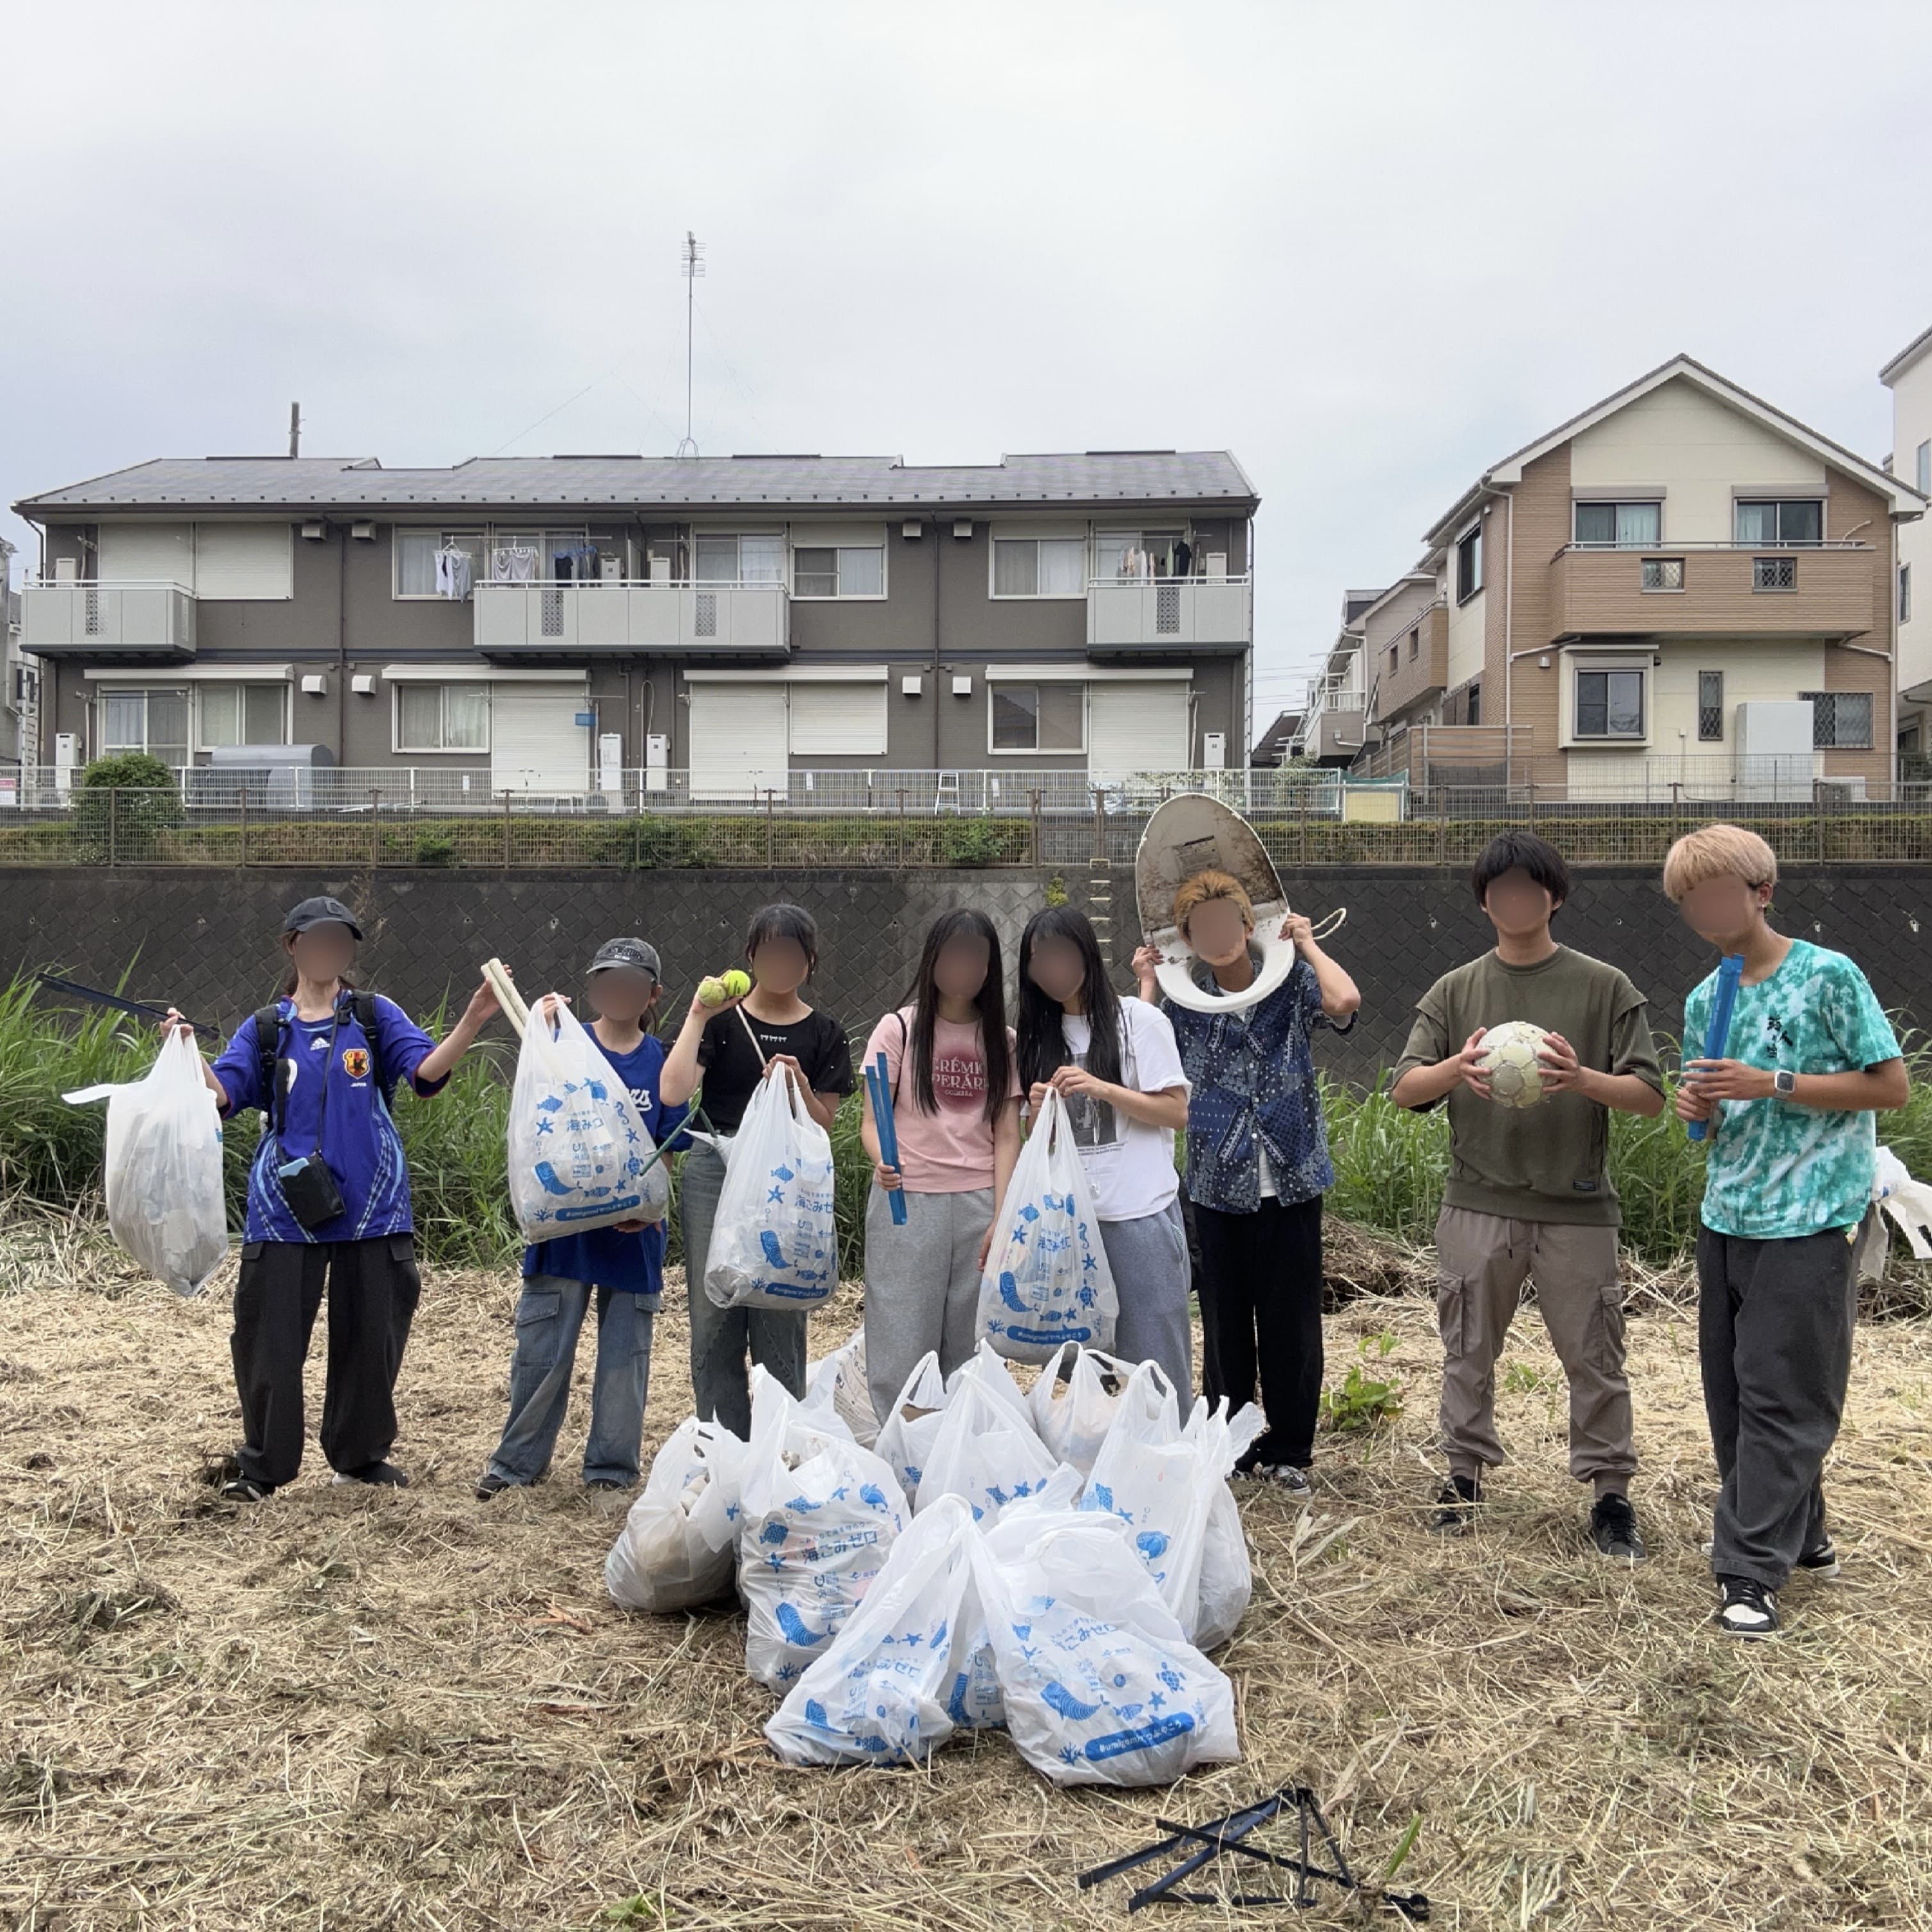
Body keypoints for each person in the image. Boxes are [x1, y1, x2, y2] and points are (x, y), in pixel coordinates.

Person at [166, 896, 503, 1502]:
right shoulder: (266, 1028)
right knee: (268, 1343)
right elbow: (223, 1096)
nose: (329, 952)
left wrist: (473, 1020)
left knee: (373, 1338)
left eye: (340, 943)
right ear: (293, 946)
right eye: (317, 940)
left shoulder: (374, 1016)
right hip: (283, 1209)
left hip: (374, 1206)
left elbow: (426, 1071)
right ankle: (264, 1468)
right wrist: (187, 1052)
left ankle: (360, 1457)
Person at [1390, 832, 1664, 1558]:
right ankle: (1463, 1477)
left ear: (1555, 897)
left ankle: (1610, 1495)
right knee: (1467, 1349)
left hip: (1577, 1207)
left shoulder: (1604, 986)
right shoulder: (1455, 989)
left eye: (1528, 888)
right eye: (1500, 890)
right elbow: (1405, 1089)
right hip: (1477, 1201)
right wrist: (1458, 1067)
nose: (1514, 901)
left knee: (1596, 1355)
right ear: (1485, 903)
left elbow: (1649, 1097)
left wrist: (1581, 1079)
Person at [1668, 825, 1907, 1639]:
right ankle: (1803, 1537)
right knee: (1735, 1393)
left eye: (1715, 894)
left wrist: (1771, 1081)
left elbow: (1890, 1087)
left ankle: (1747, 1570)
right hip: (1728, 1213)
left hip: (1814, 1214)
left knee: (1785, 1392)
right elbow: (1710, 1125)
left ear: (1762, 892)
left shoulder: (1828, 975)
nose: (1703, 912)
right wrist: (1698, 1108)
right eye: (1689, 902)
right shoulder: (1706, 998)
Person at [1132, 870, 1359, 1498]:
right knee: (1225, 1323)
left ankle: (1289, 1448)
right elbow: (1137, 1057)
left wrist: (1306, 944)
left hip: (1292, 1175)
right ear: (1188, 940)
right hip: (1216, 1180)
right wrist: (1149, 981)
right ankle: (1229, 1444)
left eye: (1227, 922)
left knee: (1292, 1322)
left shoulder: (1290, 984)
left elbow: (1345, 1001)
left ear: (1246, 925)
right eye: (1202, 928)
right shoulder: (1182, 1003)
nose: (1218, 935)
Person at [477, 938, 690, 1502]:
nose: (617, 993)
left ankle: (612, 1471)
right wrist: (542, 1033)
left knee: (625, 1359)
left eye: (631, 984)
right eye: (607, 982)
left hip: (633, 1237)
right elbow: (535, 1129)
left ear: (653, 994)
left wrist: (650, 1208)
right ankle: (516, 1464)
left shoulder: (662, 1060)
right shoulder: (561, 1047)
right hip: (564, 1232)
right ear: (592, 989)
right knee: (541, 1353)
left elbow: (667, 1145)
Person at [659, 902, 853, 1437]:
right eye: (770, 952)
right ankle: (721, 1441)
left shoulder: (826, 1033)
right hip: (716, 1171)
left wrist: (800, 1086)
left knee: (780, 1307)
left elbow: (823, 1124)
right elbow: (673, 1092)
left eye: (793, 953)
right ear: (750, 956)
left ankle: (779, 1441)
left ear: (810, 962)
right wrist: (697, 1014)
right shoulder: (722, 1022)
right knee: (714, 1311)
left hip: (786, 1182)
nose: (781, 963)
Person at [1015, 905, 1193, 1402]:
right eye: (1038, 959)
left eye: (1060, 953)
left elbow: (1175, 1112)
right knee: (1076, 1360)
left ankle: (1168, 1444)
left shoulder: (1139, 1020)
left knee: (1154, 1358)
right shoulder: (1036, 1036)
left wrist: (1102, 1088)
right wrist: (1037, 1114)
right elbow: (1041, 1142)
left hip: (1138, 1216)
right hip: (1070, 1223)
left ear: (1086, 955)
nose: (1051, 968)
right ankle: (1099, 1446)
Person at [860, 908, 1023, 1422]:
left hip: (979, 1204)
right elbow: (872, 1120)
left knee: (973, 1338)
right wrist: (883, 1160)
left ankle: (962, 1441)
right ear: (932, 958)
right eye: (953, 953)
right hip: (908, 1201)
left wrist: (1002, 1215)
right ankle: (905, 1444)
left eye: (976, 956)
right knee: (901, 1330)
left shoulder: (1004, 1040)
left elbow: (1008, 1134)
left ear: (990, 968)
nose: (963, 966)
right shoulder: (897, 1029)